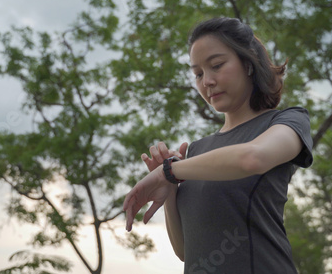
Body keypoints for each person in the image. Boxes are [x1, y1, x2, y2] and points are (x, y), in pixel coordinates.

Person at [123, 17, 313, 274]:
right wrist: (169, 188)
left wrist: (169, 171)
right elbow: (184, 251)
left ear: (248, 64)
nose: (207, 81)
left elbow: (252, 158)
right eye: (198, 74)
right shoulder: (198, 150)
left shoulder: (287, 121)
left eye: (217, 65)